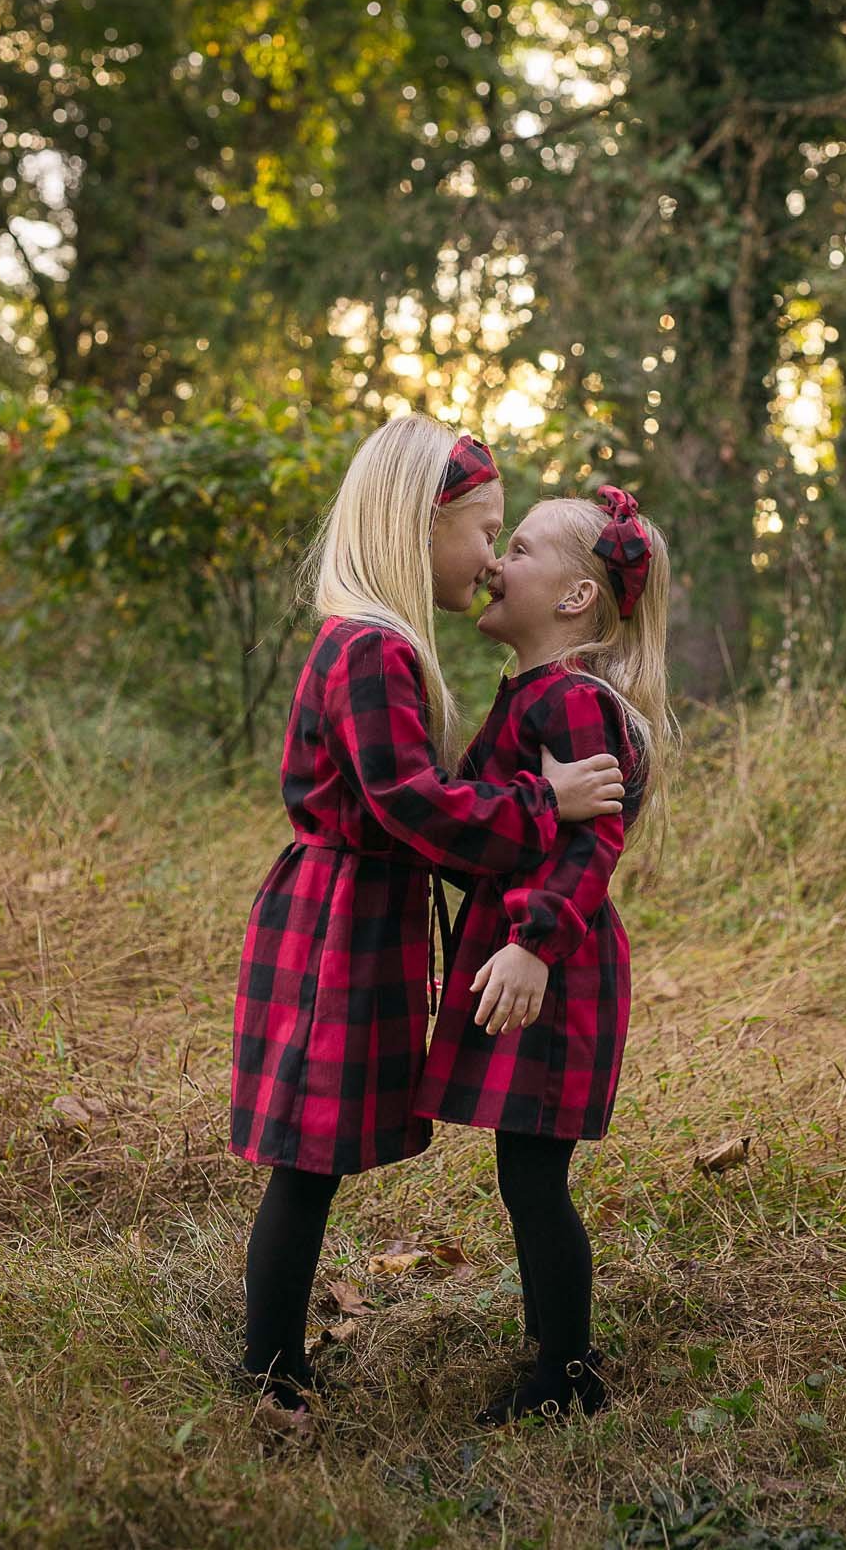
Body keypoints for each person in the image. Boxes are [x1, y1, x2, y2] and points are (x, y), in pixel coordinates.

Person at [229, 416, 625, 1413]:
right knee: (306, 1156)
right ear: (420, 525)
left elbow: (429, 799)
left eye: (508, 538)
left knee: (311, 1156)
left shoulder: (383, 645)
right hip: (337, 921)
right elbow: (410, 802)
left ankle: (279, 1359)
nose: (491, 559)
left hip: (357, 909)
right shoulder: (370, 646)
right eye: (485, 530)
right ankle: (271, 1368)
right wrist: (546, 803)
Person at [413, 485, 674, 1424]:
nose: (492, 562)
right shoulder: (529, 692)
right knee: (525, 1173)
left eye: (514, 547)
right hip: (533, 957)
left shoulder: (574, 703)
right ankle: (555, 1355)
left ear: (573, 599)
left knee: (533, 1174)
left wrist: (529, 944)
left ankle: (566, 1374)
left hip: (556, 966)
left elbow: (588, 846)